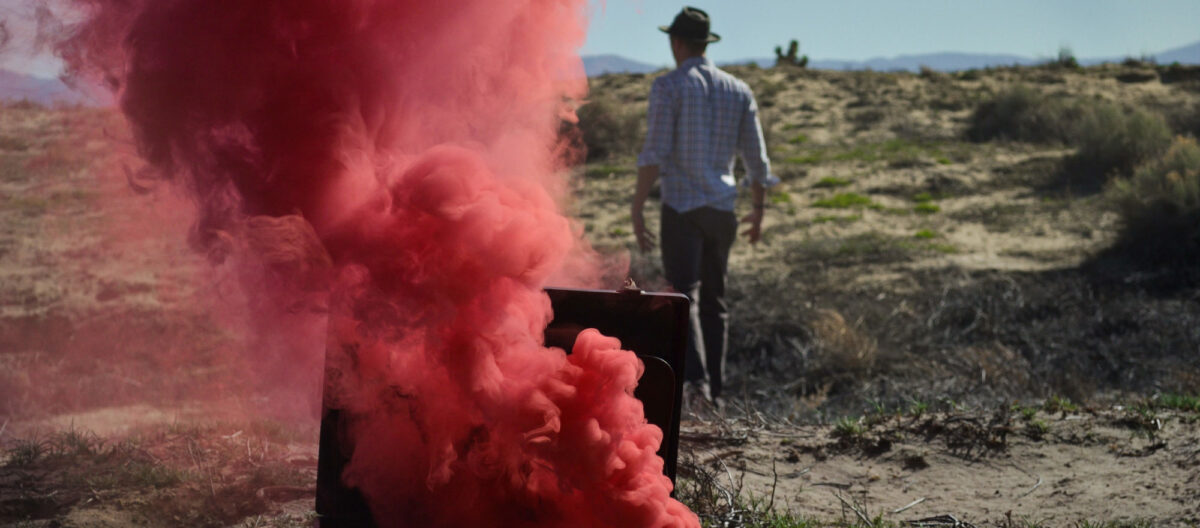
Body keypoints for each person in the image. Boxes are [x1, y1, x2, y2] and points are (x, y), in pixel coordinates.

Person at [632, 6, 777, 407]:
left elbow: (654, 153)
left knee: (684, 296)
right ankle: (717, 388)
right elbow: (757, 158)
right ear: (704, 42)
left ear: (677, 42)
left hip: (681, 207)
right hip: (723, 209)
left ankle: (696, 387)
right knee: (716, 300)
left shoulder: (669, 87)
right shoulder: (738, 89)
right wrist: (759, 208)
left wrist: (637, 205)